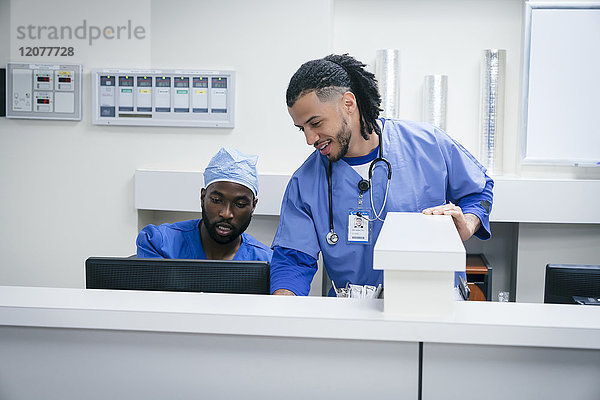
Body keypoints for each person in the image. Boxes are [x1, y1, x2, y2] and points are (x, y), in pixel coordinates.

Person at [271, 54, 493, 296]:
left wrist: (469, 223)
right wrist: (284, 309)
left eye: (316, 123)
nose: (309, 139)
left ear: (348, 103)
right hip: (354, 313)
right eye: (301, 129)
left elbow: (479, 188)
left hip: (434, 301)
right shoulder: (305, 182)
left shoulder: (427, 144)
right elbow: (293, 260)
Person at [136, 147, 272, 262]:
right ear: (203, 197)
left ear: (253, 206)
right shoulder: (159, 242)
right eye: (217, 201)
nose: (226, 214)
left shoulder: (267, 261)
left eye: (240, 204)